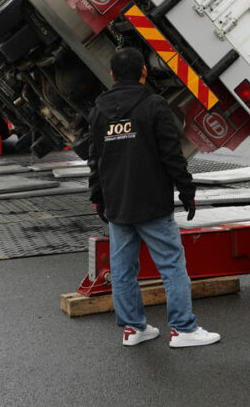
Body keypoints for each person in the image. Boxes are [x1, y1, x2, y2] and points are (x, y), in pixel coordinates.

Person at [88, 47, 220, 348]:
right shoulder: (154, 105)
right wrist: (187, 191)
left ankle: (134, 328)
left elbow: (95, 160)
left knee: (123, 270)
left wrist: (98, 197)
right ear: (144, 72)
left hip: (117, 204)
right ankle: (183, 329)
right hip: (152, 203)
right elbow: (172, 155)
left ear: (111, 75)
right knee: (171, 265)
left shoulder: (98, 111)